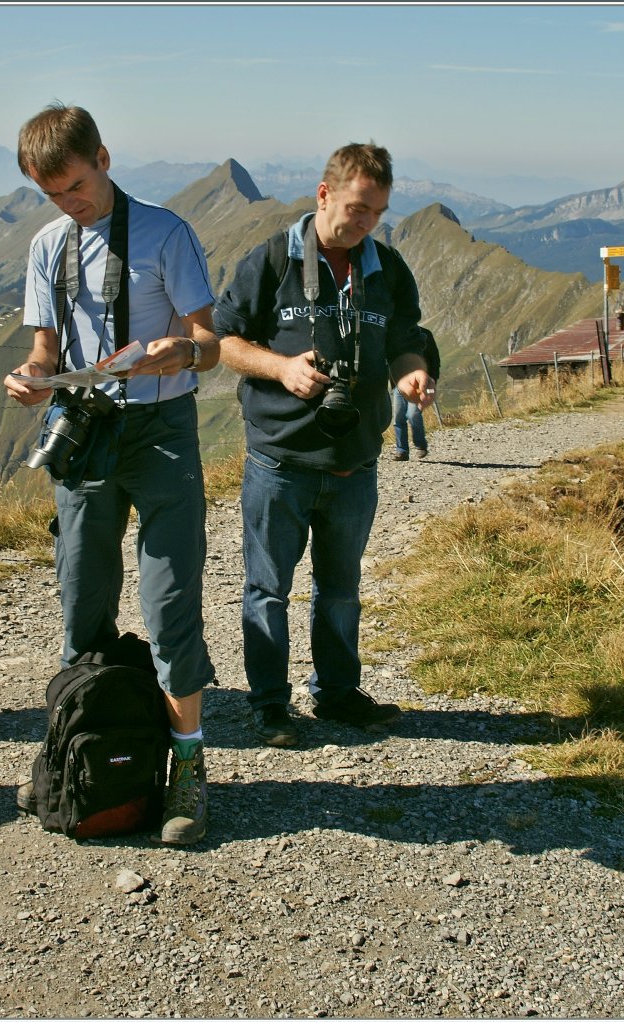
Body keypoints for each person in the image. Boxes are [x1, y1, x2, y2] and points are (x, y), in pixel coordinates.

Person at [4, 103, 219, 845]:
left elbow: (209, 342)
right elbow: (45, 347)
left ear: (103, 157)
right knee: (81, 599)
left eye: (76, 185)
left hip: (162, 431)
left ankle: (187, 769)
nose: (70, 203)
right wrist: (34, 377)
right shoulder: (47, 246)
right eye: (52, 193)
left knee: (170, 603)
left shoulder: (166, 232)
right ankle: (72, 754)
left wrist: (181, 353)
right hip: (86, 431)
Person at [212, 142, 434, 747]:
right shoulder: (271, 260)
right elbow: (223, 341)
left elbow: (405, 341)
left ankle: (336, 693)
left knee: (340, 593)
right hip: (279, 461)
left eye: (377, 213)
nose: (366, 224)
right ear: (324, 194)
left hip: (353, 464)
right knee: (267, 590)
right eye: (358, 208)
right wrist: (282, 368)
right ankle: (269, 705)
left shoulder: (386, 269)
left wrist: (411, 374)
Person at [393, 326, 440, 461]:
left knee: (413, 414)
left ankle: (420, 445)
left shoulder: (425, 334)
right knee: (398, 418)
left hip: (421, 384)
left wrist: (432, 381)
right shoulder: (395, 334)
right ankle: (402, 451)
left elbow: (434, 359)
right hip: (399, 384)